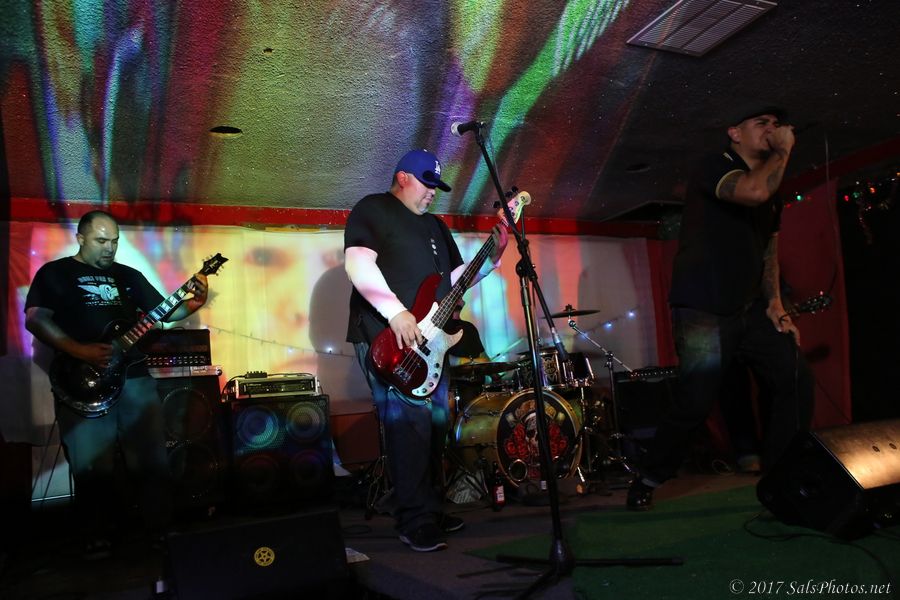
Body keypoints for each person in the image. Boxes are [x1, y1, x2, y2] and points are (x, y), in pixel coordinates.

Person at [627, 105, 814, 510]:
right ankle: (649, 476)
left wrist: (775, 303)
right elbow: (752, 191)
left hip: (750, 306)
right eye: (761, 123)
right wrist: (784, 150)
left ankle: (781, 476)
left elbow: (770, 247)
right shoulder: (715, 167)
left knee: (794, 375)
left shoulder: (773, 187)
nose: (772, 129)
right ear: (735, 133)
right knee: (696, 401)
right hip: (703, 307)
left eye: (776, 124)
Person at [345, 149, 508, 552]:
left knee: (435, 426)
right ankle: (413, 519)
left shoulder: (435, 226)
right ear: (403, 178)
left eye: (437, 186)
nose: (432, 193)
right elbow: (358, 263)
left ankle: (429, 509)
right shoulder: (373, 209)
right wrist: (396, 312)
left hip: (430, 341)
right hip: (388, 340)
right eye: (426, 184)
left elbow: (455, 280)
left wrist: (493, 256)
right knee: (407, 428)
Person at [24, 210, 209, 557]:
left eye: (115, 241)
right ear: (80, 238)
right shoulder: (56, 273)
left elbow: (164, 313)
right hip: (81, 381)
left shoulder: (128, 276)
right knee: (92, 464)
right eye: (101, 241)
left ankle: (160, 529)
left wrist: (193, 303)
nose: (109, 248)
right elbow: (36, 319)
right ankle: (97, 535)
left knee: (151, 456)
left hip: (133, 375)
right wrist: (78, 349)